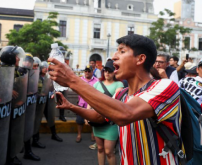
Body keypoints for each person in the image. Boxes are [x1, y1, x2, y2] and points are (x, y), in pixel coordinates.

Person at [48, 34, 182, 165]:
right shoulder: (121, 94)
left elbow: (125, 114)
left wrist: (72, 80)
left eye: (122, 51)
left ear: (140, 59)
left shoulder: (166, 86)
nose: (114, 57)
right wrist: (71, 106)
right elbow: (99, 116)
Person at [89, 60, 123, 165]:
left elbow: (117, 99)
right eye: (105, 71)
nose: (107, 73)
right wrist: (87, 114)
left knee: (109, 151)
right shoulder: (98, 84)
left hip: (111, 121)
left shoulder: (119, 83)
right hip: (97, 120)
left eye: (110, 71)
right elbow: (90, 99)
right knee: (100, 148)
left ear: (115, 72)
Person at [75, 65, 98, 143]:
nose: (87, 72)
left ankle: (93, 134)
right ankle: (79, 135)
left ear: (92, 71)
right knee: (79, 121)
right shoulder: (80, 80)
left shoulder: (96, 81)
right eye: (86, 71)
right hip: (81, 103)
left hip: (92, 104)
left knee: (93, 120)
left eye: (89, 71)